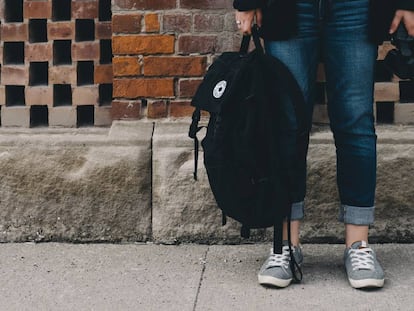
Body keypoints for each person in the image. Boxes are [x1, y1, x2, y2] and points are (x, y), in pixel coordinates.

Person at [233, 0, 414, 289]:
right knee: (287, 124)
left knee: (356, 121)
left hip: (356, 6)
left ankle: (358, 245)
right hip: (289, 7)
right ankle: (285, 246)